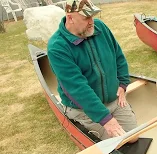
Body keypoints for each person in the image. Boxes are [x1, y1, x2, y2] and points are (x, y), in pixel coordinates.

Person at [47, 0, 138, 142]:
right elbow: (77, 88)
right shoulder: (57, 47)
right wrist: (105, 119)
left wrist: (123, 83)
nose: (91, 22)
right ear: (70, 18)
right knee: (117, 143)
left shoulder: (100, 27)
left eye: (92, 16)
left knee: (132, 138)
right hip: (83, 110)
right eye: (86, 18)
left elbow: (118, 56)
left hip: (113, 100)